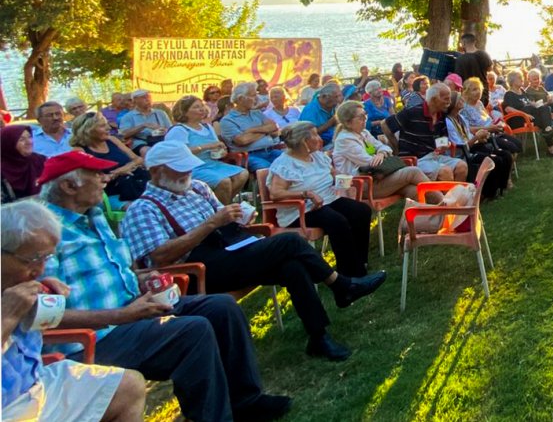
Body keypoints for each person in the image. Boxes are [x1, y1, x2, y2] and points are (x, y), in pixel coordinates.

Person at [35, 151, 293, 422]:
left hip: (132, 310)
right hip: (96, 336)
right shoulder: (45, 234)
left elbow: (113, 271)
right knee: (192, 330)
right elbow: (43, 317)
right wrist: (121, 316)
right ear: (67, 186)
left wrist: (140, 279)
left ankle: (246, 401)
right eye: (96, 175)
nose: (105, 179)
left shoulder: (94, 217)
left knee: (221, 307)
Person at [120, 142, 384, 361]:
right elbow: (160, 258)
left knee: (292, 266)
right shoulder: (143, 209)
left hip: (231, 247)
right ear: (156, 172)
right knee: (289, 243)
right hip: (199, 271)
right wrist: (211, 223)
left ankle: (319, 337)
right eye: (180, 170)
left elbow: (224, 221)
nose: (187, 173)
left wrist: (238, 216)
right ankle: (341, 285)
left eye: (188, 167)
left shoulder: (197, 187)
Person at [2, 200, 147, 422]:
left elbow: (45, 326)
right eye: (32, 259)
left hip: (35, 385)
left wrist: (47, 302)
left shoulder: (15, 285)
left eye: (46, 258)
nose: (40, 270)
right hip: (7, 407)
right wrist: (7, 317)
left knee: (129, 386)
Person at [269, 123, 379, 278]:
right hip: (302, 210)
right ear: (303, 141)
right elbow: (275, 193)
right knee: (337, 221)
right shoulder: (285, 164)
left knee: (361, 211)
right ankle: (349, 274)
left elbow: (334, 174)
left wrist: (342, 182)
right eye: (314, 135)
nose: (319, 139)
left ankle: (360, 262)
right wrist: (306, 193)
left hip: (328, 200)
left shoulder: (317, 156)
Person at [331, 101, 429, 200]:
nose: (365, 119)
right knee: (413, 172)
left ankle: (434, 210)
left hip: (376, 178)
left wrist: (381, 153)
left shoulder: (364, 133)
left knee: (413, 190)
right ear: (348, 122)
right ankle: (443, 202)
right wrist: (379, 155)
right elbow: (369, 162)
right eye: (360, 117)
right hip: (360, 185)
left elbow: (385, 148)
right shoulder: (344, 140)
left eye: (365, 115)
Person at [164, 96, 249, 203]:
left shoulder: (207, 127)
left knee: (242, 174)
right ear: (184, 112)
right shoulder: (179, 130)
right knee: (224, 182)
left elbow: (216, 146)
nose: (202, 109)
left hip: (212, 164)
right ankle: (221, 210)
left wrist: (221, 151)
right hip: (191, 168)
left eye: (202, 106)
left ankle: (219, 205)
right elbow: (178, 153)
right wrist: (207, 146)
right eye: (196, 107)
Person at [383, 82, 469, 180]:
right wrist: (396, 147)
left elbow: (442, 138)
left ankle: (457, 195)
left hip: (433, 156)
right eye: (446, 99)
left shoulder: (441, 115)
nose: (449, 102)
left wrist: (444, 144)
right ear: (433, 100)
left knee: (462, 166)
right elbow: (385, 125)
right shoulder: (413, 112)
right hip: (415, 159)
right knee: (445, 172)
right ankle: (447, 195)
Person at [445, 91, 513, 200]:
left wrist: (480, 138)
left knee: (505, 155)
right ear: (454, 104)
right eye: (460, 99)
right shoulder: (448, 122)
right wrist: (477, 137)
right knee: (493, 160)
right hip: (462, 153)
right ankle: (488, 194)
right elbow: (462, 145)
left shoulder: (461, 118)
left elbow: (467, 137)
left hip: (471, 147)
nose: (463, 101)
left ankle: (501, 188)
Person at [72, 112, 149, 206]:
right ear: (88, 130)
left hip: (134, 183)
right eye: (102, 126)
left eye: (107, 124)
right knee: (139, 207)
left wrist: (121, 170)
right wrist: (118, 173)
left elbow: (138, 159)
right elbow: (91, 180)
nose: (108, 128)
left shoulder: (112, 140)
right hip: (110, 193)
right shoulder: (80, 151)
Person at [219, 82, 284, 172]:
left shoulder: (256, 113)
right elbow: (243, 141)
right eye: (253, 96)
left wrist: (252, 130)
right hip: (249, 155)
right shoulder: (228, 120)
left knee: (292, 161)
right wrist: (266, 131)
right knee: (268, 170)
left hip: (270, 151)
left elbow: (274, 127)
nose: (256, 99)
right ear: (241, 99)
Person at [502, 71, 553, 158]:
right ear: (512, 81)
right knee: (538, 116)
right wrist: (524, 114)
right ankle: (550, 141)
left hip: (531, 117)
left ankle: (550, 142)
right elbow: (508, 109)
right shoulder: (509, 94)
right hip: (518, 119)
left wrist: (539, 105)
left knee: (545, 108)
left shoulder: (522, 91)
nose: (522, 79)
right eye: (519, 77)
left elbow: (531, 104)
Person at [461, 77, 520, 154]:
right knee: (511, 147)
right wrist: (489, 128)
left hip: (493, 131)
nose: (478, 92)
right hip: (483, 137)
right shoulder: (463, 108)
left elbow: (487, 119)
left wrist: (497, 123)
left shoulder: (479, 103)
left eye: (479, 89)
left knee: (518, 145)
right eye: (474, 90)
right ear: (467, 92)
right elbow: (468, 129)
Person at [118, 90, 170, 157]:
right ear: (135, 100)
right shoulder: (128, 117)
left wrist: (164, 130)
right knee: (148, 151)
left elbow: (170, 129)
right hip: (141, 142)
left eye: (149, 97)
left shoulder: (160, 113)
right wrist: (143, 126)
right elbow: (123, 134)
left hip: (160, 140)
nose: (148, 99)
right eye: (144, 97)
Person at [1, 125, 46, 202]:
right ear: (9, 143)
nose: (29, 142)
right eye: (21, 139)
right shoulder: (2, 168)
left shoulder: (40, 160)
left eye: (29, 137)